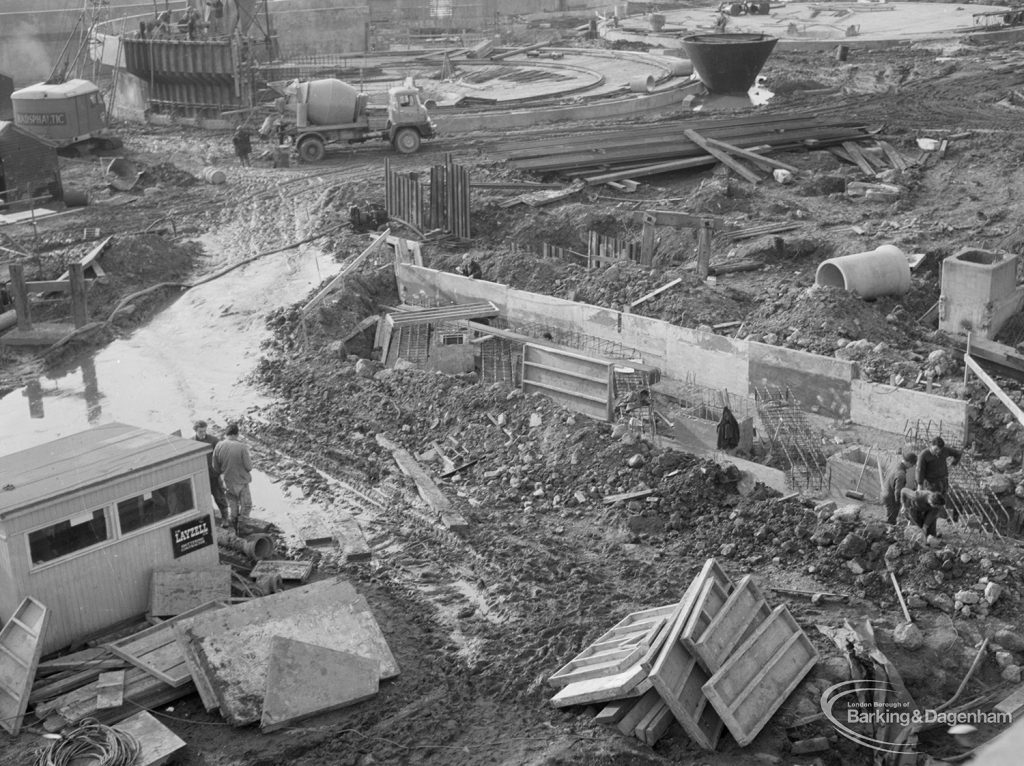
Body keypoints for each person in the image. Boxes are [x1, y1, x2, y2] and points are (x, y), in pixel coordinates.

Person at [212, 422, 253, 529]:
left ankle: (234, 527)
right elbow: (249, 467)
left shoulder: (219, 446)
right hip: (241, 481)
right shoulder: (241, 446)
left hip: (226, 481)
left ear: (226, 434)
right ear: (236, 434)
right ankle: (242, 527)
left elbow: (215, 467)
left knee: (233, 504)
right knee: (246, 505)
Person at [193, 420, 229, 522]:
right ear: (195, 431)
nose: (203, 433)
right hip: (200, 477)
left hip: (213, 475)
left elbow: (221, 457)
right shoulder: (191, 442)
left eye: (204, 431)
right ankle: (211, 519)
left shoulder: (213, 441)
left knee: (219, 497)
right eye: (200, 431)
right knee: (204, 499)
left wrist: (222, 473)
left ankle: (225, 518)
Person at [883, 451, 918, 525]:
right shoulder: (901, 474)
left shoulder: (895, 464)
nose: (912, 466)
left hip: (886, 492)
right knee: (891, 520)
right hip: (891, 497)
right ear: (908, 462)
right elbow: (898, 492)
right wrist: (902, 505)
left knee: (890, 517)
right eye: (912, 464)